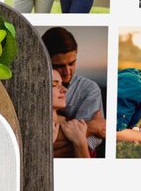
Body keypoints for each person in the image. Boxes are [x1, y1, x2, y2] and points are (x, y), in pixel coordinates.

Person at [45, 26, 105, 158]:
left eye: (71, 64)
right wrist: (91, 127)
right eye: (59, 66)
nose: (67, 72)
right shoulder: (36, 85)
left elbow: (88, 144)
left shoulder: (89, 89)